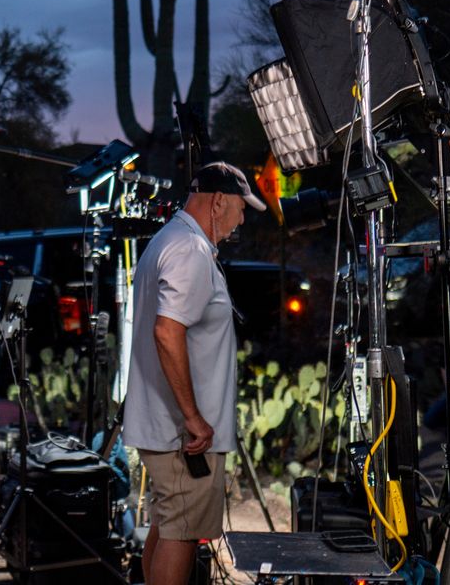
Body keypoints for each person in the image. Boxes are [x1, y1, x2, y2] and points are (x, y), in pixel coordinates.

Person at [123, 161, 265, 585]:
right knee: (182, 533)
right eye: (241, 207)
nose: (242, 219)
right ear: (219, 200)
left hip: (167, 429)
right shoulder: (189, 249)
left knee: (169, 526)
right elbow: (167, 332)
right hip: (183, 436)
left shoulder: (172, 240)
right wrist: (193, 418)